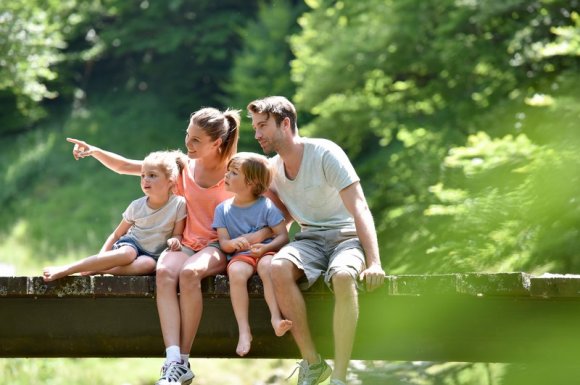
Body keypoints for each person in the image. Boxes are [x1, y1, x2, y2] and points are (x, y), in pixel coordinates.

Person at [66, 107, 271, 385]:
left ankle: (184, 361)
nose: (188, 144)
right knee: (164, 272)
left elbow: (268, 205)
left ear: (216, 143)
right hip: (184, 244)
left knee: (188, 274)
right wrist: (95, 151)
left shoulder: (236, 171)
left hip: (217, 247)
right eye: (188, 136)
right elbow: (128, 166)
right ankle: (172, 359)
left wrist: (262, 242)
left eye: (196, 140)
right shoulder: (182, 165)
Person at [247, 96, 386, 385]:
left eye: (263, 126)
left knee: (344, 277)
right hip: (308, 238)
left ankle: (340, 375)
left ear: (285, 123)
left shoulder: (325, 153)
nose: (257, 134)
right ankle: (313, 362)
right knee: (278, 267)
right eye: (255, 128)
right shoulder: (273, 170)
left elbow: (359, 206)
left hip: (346, 237)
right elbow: (279, 221)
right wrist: (249, 245)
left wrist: (374, 262)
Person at [42, 150, 186, 282]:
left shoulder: (179, 204)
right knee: (127, 254)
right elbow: (117, 234)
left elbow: (178, 234)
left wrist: (175, 241)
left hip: (152, 256)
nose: (145, 180)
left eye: (152, 175)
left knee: (148, 265)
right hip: (132, 245)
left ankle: (99, 269)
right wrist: (101, 256)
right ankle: (68, 269)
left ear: (171, 180)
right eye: (142, 175)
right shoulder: (137, 206)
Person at [212, 152, 292, 357]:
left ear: (251, 183)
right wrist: (232, 243)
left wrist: (266, 248)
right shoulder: (222, 209)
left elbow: (283, 236)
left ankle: (275, 318)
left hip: (266, 252)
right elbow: (224, 244)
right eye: (228, 171)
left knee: (267, 267)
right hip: (242, 256)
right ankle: (244, 330)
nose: (227, 176)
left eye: (234, 173)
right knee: (237, 272)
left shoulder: (266, 205)